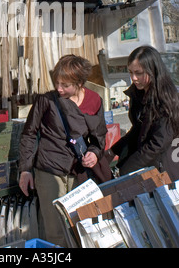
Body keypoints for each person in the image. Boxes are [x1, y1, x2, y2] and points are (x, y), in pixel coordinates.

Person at [18, 54, 112, 247]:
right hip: (48, 169)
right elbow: (29, 134)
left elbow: (98, 138)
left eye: (65, 85)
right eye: (57, 83)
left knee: (81, 226)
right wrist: (25, 169)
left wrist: (94, 154)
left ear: (79, 83)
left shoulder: (94, 101)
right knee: (56, 230)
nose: (59, 89)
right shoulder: (46, 100)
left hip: (78, 172)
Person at [106, 45, 179, 181]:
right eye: (130, 72)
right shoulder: (139, 94)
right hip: (148, 166)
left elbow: (158, 142)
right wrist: (113, 151)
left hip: (165, 169)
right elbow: (138, 130)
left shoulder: (167, 100)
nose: (133, 78)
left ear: (152, 70)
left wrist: (128, 168)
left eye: (138, 73)